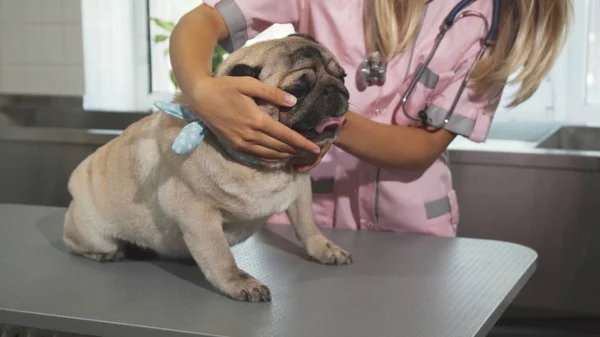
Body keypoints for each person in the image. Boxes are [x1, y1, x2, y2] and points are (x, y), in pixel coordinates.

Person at [168, 0, 572, 236]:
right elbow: (203, 22)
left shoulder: (492, 21)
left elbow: (423, 147)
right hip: (296, 223)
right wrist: (201, 90)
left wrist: (326, 122)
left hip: (414, 233)